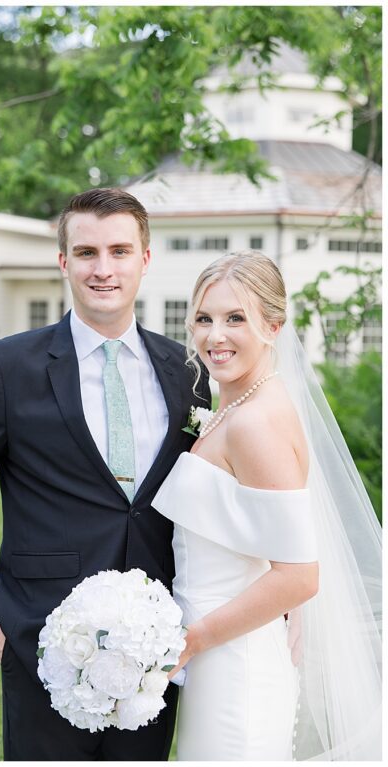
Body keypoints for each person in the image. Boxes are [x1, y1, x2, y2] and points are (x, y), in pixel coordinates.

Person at [0, 188, 210, 760]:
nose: (104, 269)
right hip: (43, 644)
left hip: (157, 650)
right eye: (87, 252)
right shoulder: (9, 366)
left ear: (145, 259)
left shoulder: (186, 371)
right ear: (63, 262)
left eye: (120, 251)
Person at [153, 251, 381, 760]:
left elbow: (299, 575)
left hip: (235, 665)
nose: (215, 336)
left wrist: (192, 639)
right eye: (204, 319)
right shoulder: (239, 405)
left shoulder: (255, 422)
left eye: (236, 318)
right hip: (221, 655)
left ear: (273, 326)